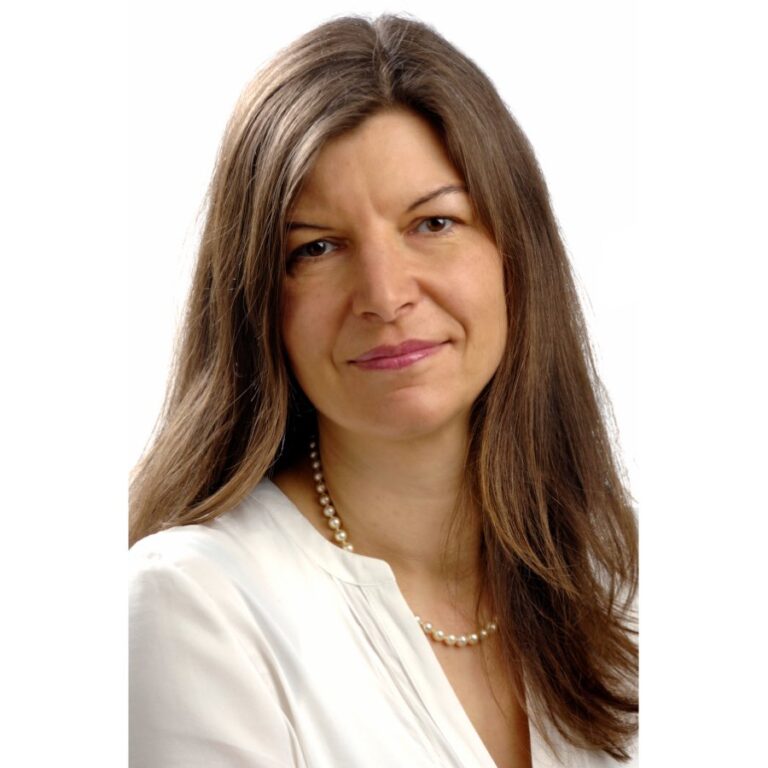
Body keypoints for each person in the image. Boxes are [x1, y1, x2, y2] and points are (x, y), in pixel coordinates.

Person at [129, 14, 638, 768]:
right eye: (317, 247)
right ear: (257, 302)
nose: (386, 295)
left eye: (433, 223)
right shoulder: (194, 604)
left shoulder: (618, 578)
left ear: (516, 253)